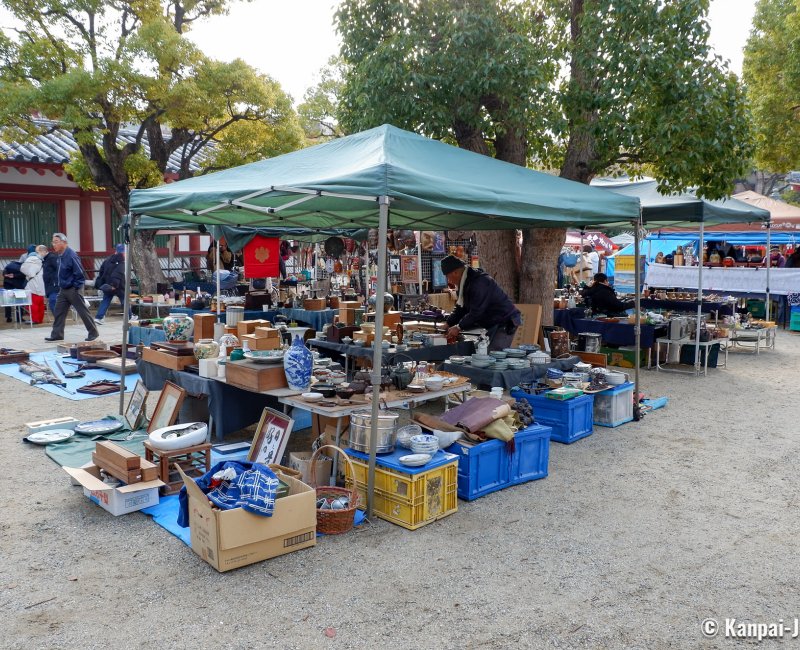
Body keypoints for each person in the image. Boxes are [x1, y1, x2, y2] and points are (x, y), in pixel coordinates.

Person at [441, 255, 521, 351]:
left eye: (448, 277)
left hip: (505, 321)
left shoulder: (478, 282)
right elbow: (460, 308)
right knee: (479, 352)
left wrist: (458, 327)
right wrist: (448, 323)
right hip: (492, 322)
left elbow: (476, 312)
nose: (449, 281)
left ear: (455, 272)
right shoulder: (464, 283)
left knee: (493, 355)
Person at [44, 233, 99, 342]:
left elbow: (79, 273)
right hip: (63, 288)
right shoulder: (59, 255)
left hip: (73, 288)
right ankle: (57, 334)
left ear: (64, 243)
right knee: (59, 311)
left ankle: (93, 332)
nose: (53, 244)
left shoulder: (71, 255)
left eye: (56, 242)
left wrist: (76, 286)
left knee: (82, 311)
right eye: (53, 242)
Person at [94, 244, 135, 324]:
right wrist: (114, 285)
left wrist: (103, 282)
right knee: (124, 300)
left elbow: (101, 272)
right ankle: (130, 316)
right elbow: (118, 273)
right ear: (123, 252)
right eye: (125, 252)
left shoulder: (107, 260)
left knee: (105, 300)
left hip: (108, 285)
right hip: (118, 285)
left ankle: (99, 317)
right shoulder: (121, 261)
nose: (126, 254)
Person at [20, 245, 47, 324]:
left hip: (33, 283)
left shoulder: (30, 259)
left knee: (33, 303)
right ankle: (40, 319)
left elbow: (23, 269)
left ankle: (35, 319)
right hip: (41, 282)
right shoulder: (41, 260)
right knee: (40, 303)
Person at [3, 258, 26, 323]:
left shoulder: (9, 265)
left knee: (8, 301)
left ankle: (8, 317)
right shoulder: (23, 266)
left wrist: (6, 275)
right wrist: (14, 275)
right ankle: (19, 318)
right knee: (20, 301)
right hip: (19, 285)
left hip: (8, 284)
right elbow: (24, 274)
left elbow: (4, 273)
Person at [42, 245, 60, 313]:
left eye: (38, 252)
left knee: (53, 303)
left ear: (43, 251)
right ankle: (58, 320)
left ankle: (59, 320)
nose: (37, 254)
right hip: (49, 285)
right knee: (53, 303)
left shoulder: (52, 258)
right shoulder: (45, 259)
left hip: (54, 284)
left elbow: (58, 269)